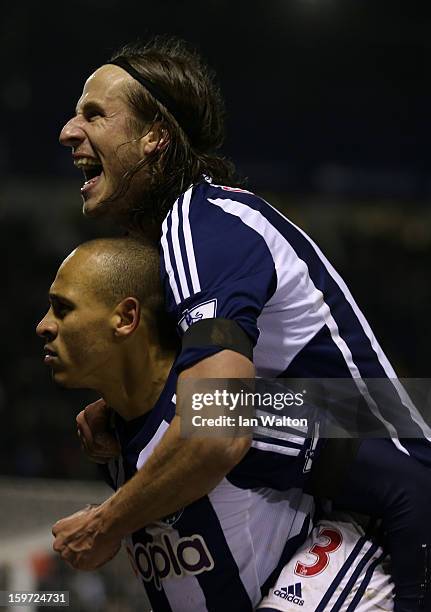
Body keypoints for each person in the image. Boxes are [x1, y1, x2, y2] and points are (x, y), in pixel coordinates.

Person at [55, 37, 431, 610]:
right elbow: (275, 404)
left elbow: (221, 428)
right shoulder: (205, 224)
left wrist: (106, 523)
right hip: (365, 482)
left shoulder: (199, 228)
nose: (68, 131)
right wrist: (134, 406)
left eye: (94, 114)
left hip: (398, 507)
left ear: (154, 138)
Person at [37, 237, 394, 611]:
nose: (43, 326)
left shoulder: (223, 403)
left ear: (126, 318)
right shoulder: (113, 440)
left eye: (62, 309)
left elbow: (392, 419)